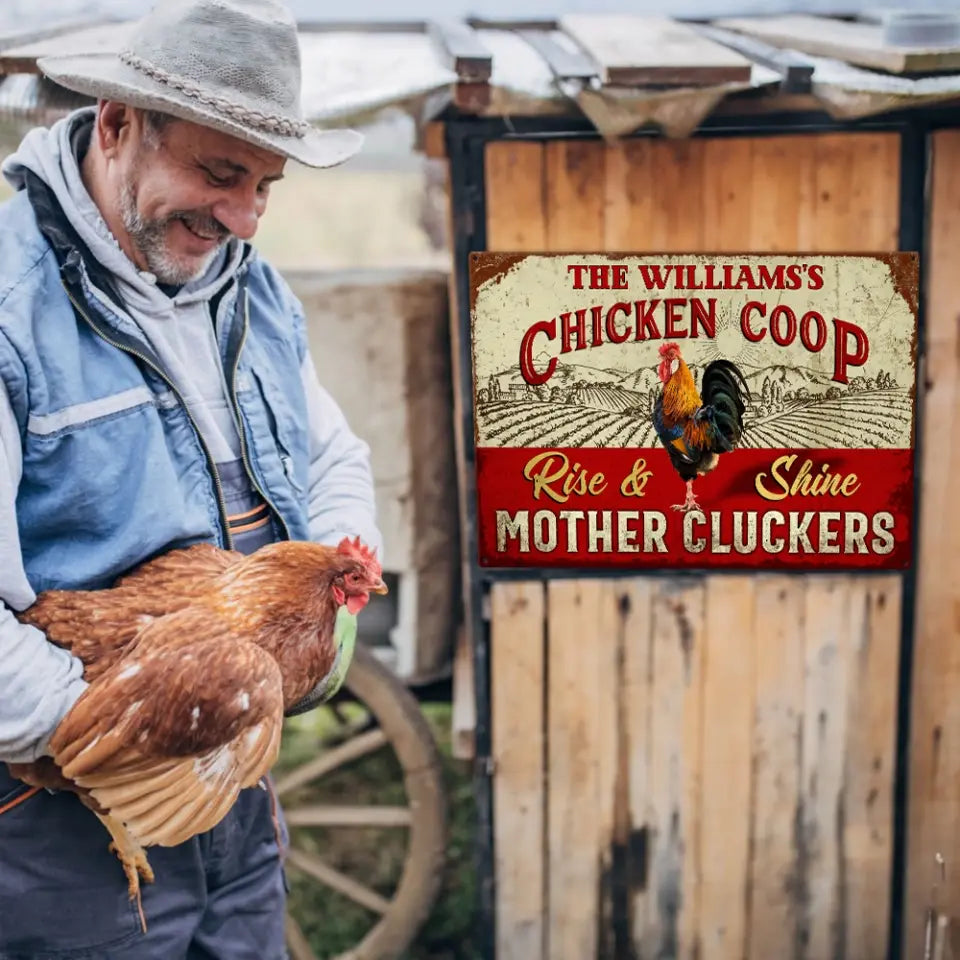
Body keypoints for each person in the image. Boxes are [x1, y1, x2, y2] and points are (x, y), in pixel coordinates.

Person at [0, 0, 383, 956]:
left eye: (265, 185)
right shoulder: (11, 309)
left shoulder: (247, 284)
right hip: (63, 807)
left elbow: (331, 451)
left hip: (233, 783)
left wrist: (330, 586)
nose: (245, 215)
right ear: (120, 124)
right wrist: (112, 736)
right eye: (220, 173)